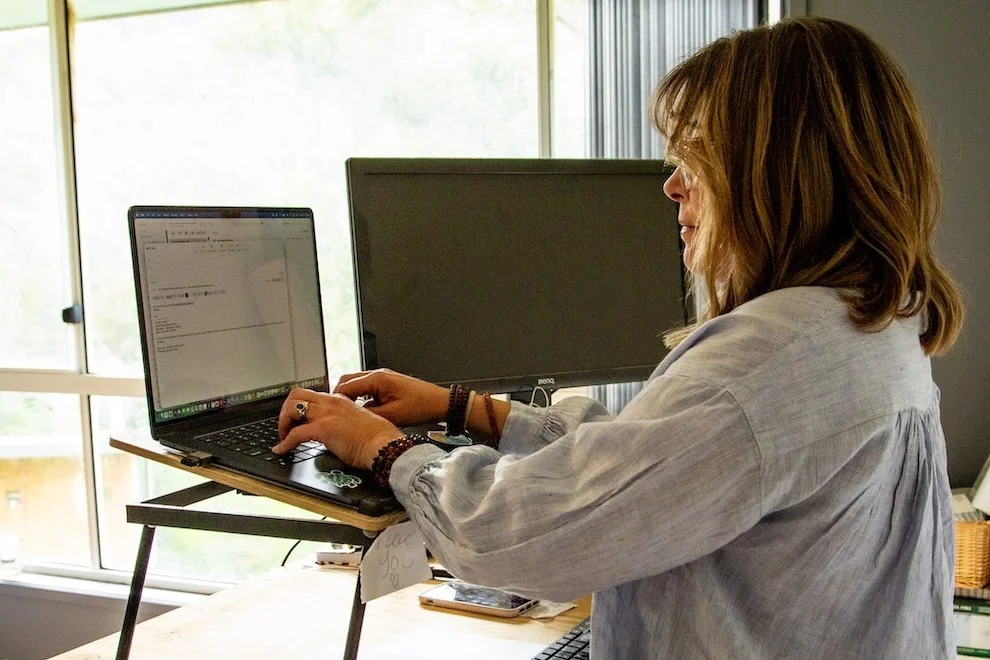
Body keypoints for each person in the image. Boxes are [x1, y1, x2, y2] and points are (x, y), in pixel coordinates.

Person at [274, 16, 964, 659]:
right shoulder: (863, 325)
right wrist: (467, 411)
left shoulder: (765, 363)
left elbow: (515, 537)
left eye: (697, 159)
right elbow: (643, 476)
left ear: (775, 173)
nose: (672, 187)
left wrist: (380, 446)